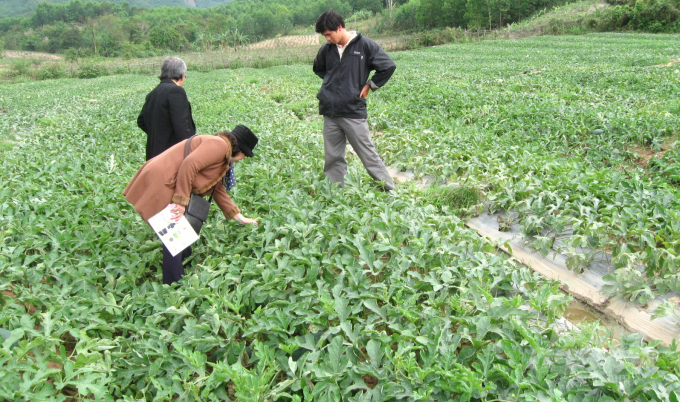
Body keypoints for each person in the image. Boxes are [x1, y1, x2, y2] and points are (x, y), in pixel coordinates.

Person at [123, 126, 259, 285]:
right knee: (173, 232)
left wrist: (238, 216)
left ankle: (183, 261)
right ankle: (174, 283)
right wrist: (181, 201)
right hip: (163, 178)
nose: (243, 159)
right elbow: (189, 164)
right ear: (240, 150)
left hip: (169, 179)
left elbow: (217, 188)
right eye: (245, 155)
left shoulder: (222, 152)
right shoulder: (219, 145)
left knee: (176, 230)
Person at [313, 10, 396, 192]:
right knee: (333, 156)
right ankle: (335, 192)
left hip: (352, 111)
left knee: (367, 153)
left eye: (329, 34)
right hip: (330, 111)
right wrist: (331, 83)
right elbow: (318, 68)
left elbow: (388, 66)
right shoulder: (327, 50)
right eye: (324, 36)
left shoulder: (365, 46)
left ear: (340, 27)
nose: (327, 39)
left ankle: (390, 190)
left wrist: (370, 85)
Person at [137, 56, 196, 161]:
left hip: (152, 154)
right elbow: (182, 128)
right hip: (170, 156)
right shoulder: (176, 91)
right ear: (182, 76)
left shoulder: (153, 93)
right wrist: (192, 149)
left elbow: (141, 121)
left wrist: (159, 135)